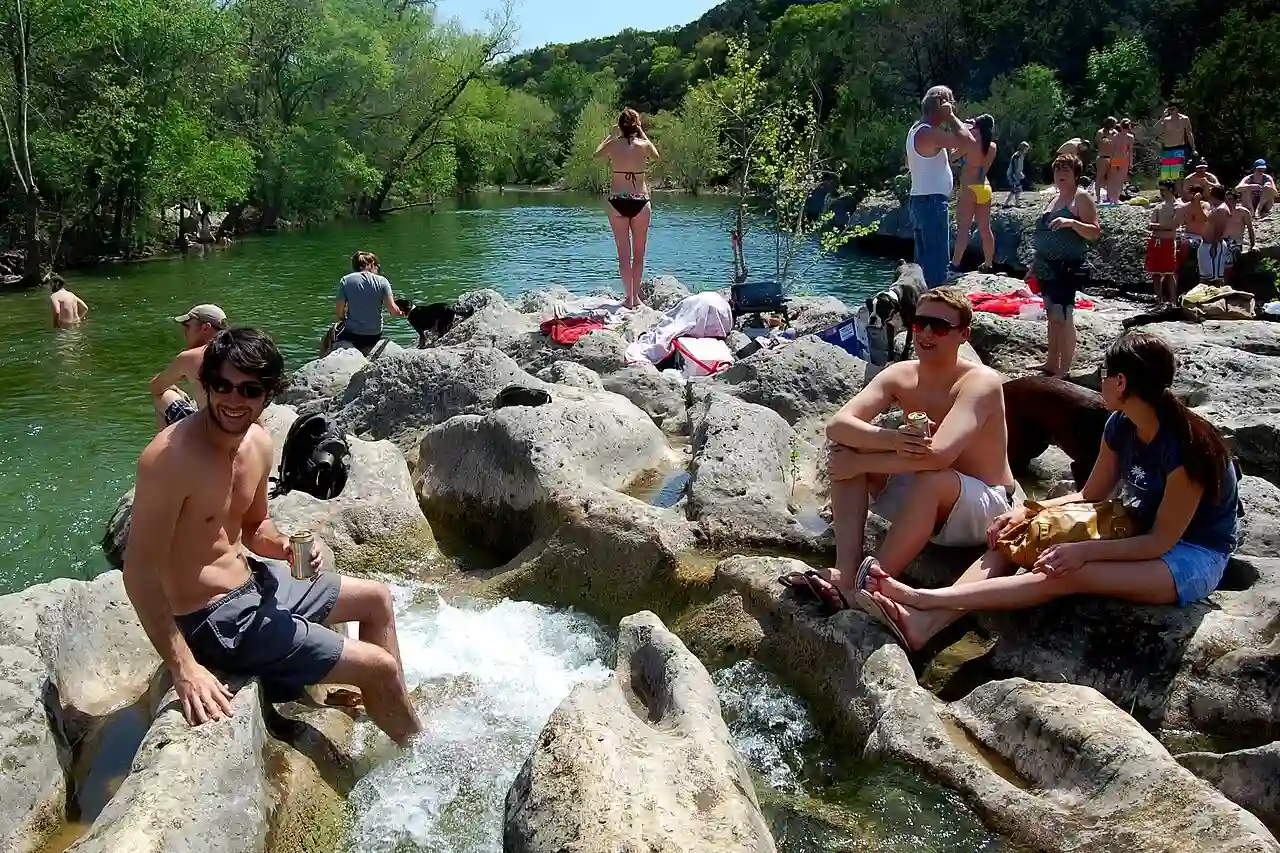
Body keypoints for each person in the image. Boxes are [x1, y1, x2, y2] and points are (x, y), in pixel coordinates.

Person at [123, 328, 422, 745]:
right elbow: (139, 573)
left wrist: (284, 547)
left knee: (377, 599)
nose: (233, 400)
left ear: (269, 394)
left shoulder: (258, 444)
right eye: (222, 385)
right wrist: (184, 667)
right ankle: (416, 752)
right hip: (216, 620)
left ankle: (386, 704)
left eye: (249, 390)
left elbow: (255, 527)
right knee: (379, 666)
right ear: (206, 384)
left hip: (256, 583)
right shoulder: (169, 459)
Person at [860, 331, 1239, 651]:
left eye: (1103, 373)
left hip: (1192, 555)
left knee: (1071, 572)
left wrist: (1080, 551)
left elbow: (1160, 542)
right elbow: (1090, 494)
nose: (1099, 381)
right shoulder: (1120, 426)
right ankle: (923, 626)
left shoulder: (1187, 449)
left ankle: (921, 599)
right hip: (1141, 527)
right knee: (1012, 538)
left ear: (1121, 382)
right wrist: (1028, 511)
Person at [799, 288, 1018, 615]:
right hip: (923, 496)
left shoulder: (980, 382)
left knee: (926, 477)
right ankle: (846, 570)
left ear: (963, 335)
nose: (926, 333)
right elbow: (838, 425)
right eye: (920, 323)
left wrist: (861, 463)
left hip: (986, 506)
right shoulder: (900, 374)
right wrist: (892, 440)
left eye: (939, 327)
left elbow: (939, 455)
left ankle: (869, 585)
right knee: (847, 445)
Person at [1028, 153, 1101, 378]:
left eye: (1066, 170)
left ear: (1076, 174)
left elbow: (1094, 232)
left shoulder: (1081, 198)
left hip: (1067, 267)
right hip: (1045, 266)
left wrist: (1071, 222)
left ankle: (1064, 368)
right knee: (1052, 315)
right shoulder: (1053, 199)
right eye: (1057, 169)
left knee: (1064, 316)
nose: (1060, 174)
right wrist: (1033, 265)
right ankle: (1050, 363)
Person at [906, 86, 976, 288]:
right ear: (941, 103)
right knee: (936, 266)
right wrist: (952, 118)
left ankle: (922, 301)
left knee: (923, 265)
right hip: (931, 203)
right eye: (950, 102)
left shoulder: (917, 130)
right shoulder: (928, 132)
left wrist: (960, 130)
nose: (953, 106)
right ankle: (933, 303)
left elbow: (949, 154)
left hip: (922, 201)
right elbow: (969, 142)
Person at [594, 108, 660, 308]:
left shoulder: (613, 145)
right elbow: (656, 155)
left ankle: (629, 298)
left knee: (624, 254)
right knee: (639, 254)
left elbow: (597, 154)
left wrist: (611, 135)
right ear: (636, 125)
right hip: (640, 199)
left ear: (620, 126)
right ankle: (636, 298)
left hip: (617, 200)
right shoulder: (643, 145)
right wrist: (642, 132)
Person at [150, 304, 228, 431]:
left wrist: (172, 387)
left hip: (208, 433)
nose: (184, 332)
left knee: (162, 395)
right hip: (238, 428)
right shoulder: (240, 352)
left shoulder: (190, 357)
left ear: (205, 328)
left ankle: (168, 443)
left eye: (187, 326)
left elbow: (155, 387)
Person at [950, 114, 998, 273]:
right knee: (985, 228)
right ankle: (989, 263)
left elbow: (952, 157)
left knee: (964, 229)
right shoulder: (992, 146)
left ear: (978, 127)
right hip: (984, 187)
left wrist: (961, 133)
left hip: (968, 188)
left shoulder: (970, 144)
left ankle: (955, 264)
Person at [334, 251, 403, 355]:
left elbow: (339, 312)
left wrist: (344, 319)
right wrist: (403, 312)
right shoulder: (382, 281)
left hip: (353, 334)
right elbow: (393, 311)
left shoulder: (346, 280)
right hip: (374, 335)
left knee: (333, 332)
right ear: (371, 264)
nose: (378, 269)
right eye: (377, 266)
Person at [1145, 180, 1184, 306]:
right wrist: (1161, 227)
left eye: (1163, 190)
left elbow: (1173, 225)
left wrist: (1158, 226)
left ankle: (1172, 300)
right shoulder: (1158, 207)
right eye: (1160, 190)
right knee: (1155, 273)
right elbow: (1151, 225)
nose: (1161, 193)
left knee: (1169, 272)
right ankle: (1158, 299)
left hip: (1168, 242)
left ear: (1171, 190)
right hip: (1155, 241)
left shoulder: (1179, 207)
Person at [1158, 102, 1197, 194]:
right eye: (1170, 109)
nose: (1171, 111)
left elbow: (1189, 134)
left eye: (1173, 109)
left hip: (1179, 148)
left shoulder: (1184, 119)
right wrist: (1162, 118)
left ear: (1177, 109)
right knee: (1166, 174)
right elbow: (1158, 131)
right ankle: (1168, 193)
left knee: (1177, 173)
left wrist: (1193, 148)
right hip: (1168, 148)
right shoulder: (1166, 120)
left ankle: (1178, 193)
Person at [1198, 186, 1231, 285]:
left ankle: (1220, 293)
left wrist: (1214, 245)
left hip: (1214, 246)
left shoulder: (1222, 209)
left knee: (1216, 278)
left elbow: (1220, 229)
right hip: (1206, 245)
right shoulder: (1215, 207)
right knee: (1205, 277)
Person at [1222, 188, 1256, 281]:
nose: (1227, 202)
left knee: (1228, 257)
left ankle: (1225, 284)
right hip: (1222, 241)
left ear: (1235, 200)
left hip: (1235, 242)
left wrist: (1253, 245)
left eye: (1230, 199)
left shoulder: (1243, 212)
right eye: (1225, 199)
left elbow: (1250, 229)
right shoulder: (1221, 212)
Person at [1108, 119, 1135, 202]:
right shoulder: (1130, 137)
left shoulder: (1115, 136)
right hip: (1124, 159)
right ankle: (1116, 198)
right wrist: (1131, 162)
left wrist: (1110, 160)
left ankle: (1112, 198)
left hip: (1115, 158)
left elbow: (1112, 150)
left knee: (1114, 179)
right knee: (1120, 180)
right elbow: (1130, 151)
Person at [1093, 117, 1117, 204]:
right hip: (1102, 157)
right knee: (1100, 178)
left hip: (1113, 158)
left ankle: (1109, 197)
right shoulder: (1100, 132)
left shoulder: (1114, 132)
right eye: (1114, 124)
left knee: (1112, 178)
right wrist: (1107, 137)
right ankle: (1098, 198)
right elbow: (1099, 143)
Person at [1002, 141, 1031, 208]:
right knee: (1017, 188)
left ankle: (1008, 203)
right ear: (1023, 148)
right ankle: (1013, 203)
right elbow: (1015, 167)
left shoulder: (1020, 155)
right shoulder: (1017, 156)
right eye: (1026, 149)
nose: (1027, 151)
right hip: (1013, 174)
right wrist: (1018, 174)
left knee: (1015, 189)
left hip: (1015, 174)